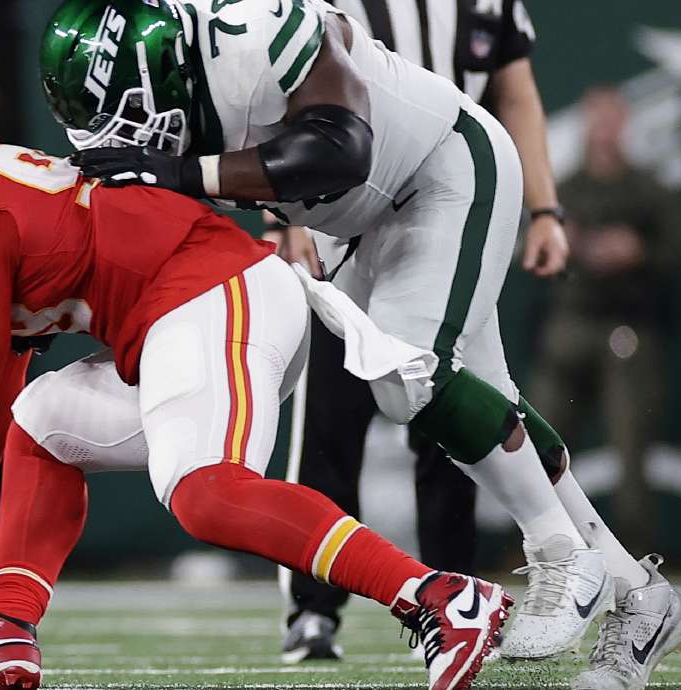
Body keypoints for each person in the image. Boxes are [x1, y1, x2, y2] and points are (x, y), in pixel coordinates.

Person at [42, 0, 678, 678]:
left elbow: (339, 146)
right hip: (352, 221)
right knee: (488, 408)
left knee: (409, 374)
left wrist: (183, 175)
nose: (126, 136)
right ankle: (640, 598)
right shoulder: (166, 80)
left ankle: (560, 554)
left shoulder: (255, 33)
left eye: (123, 111)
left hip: (441, 167)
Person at [0, 83, 511, 690]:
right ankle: (3, 631)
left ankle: (436, 596)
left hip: (209, 296)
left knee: (206, 492)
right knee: (42, 421)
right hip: (197, 310)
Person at [274, 0, 569, 661]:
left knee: (446, 417)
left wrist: (545, 208)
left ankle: (460, 597)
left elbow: (516, 95)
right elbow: (286, 90)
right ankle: (314, 609)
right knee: (331, 429)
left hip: (446, 212)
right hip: (348, 217)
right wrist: (289, 211)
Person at [532, 87, 680, 684]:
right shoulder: (564, 188)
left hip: (627, 328)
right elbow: (538, 253)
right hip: (572, 325)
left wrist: (636, 249)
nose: (602, 130)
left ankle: (639, 576)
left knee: (629, 449)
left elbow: (672, 248)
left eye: (612, 119)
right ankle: (551, 561)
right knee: (535, 449)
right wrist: (576, 249)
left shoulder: (646, 189)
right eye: (595, 119)